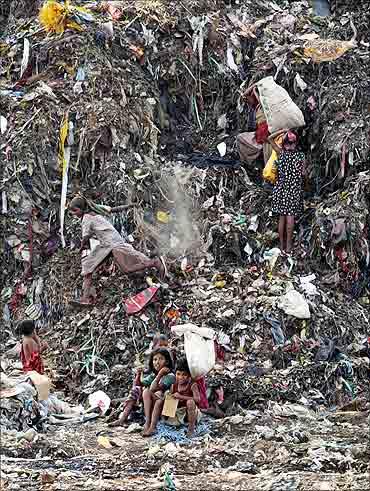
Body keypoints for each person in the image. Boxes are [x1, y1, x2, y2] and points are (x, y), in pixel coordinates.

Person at [69, 197, 167, 305]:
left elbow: (86, 237)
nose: (74, 214)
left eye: (75, 210)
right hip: (105, 245)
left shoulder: (86, 218)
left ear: (82, 208)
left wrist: (81, 248)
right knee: (87, 266)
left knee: (127, 269)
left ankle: (154, 262)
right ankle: (86, 298)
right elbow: (113, 209)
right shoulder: (96, 209)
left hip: (112, 244)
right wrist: (129, 206)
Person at [268, 129, 305, 254]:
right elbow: (304, 173)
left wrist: (282, 131)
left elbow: (269, 139)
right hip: (294, 190)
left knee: (281, 218)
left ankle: (281, 245)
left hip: (281, 189)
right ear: (296, 143)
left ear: (283, 144)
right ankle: (288, 247)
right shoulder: (301, 156)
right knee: (290, 218)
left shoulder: (281, 153)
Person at [141, 348, 175, 436]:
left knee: (156, 394)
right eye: (155, 359)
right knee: (145, 391)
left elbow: (153, 389)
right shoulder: (154, 374)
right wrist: (139, 374)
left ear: (167, 362)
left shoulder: (170, 376)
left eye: (161, 359)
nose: (157, 362)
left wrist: (160, 374)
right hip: (157, 406)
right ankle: (147, 422)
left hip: (168, 409)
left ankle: (152, 427)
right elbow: (142, 382)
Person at [237, 84, 271, 164]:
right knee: (240, 138)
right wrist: (255, 85)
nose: (248, 101)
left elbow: (261, 102)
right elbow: (244, 94)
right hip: (260, 132)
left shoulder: (261, 104)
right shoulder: (255, 106)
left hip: (265, 132)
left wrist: (255, 90)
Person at [166, 358, 201, 437]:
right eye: (178, 374)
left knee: (190, 402)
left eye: (184, 374)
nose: (181, 377)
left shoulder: (192, 385)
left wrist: (181, 396)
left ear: (189, 375)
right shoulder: (173, 385)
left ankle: (191, 428)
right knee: (167, 395)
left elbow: (197, 399)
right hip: (180, 413)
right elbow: (170, 403)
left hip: (191, 413)